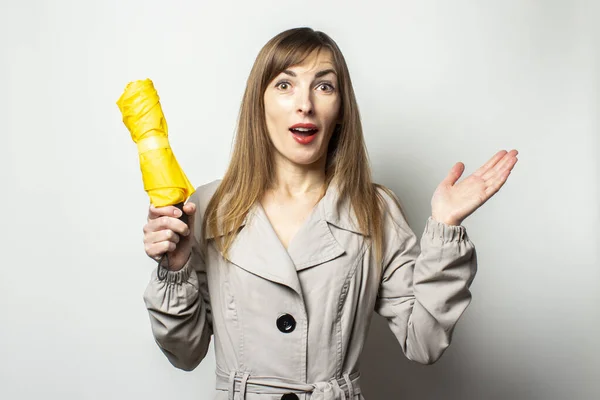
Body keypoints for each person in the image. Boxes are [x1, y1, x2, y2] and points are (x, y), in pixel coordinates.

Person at [141, 27, 518, 400]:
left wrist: (445, 228)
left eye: (324, 86)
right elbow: (185, 353)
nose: (305, 103)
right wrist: (175, 268)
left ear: (340, 111)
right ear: (260, 104)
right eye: (285, 85)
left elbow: (424, 343)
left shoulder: (374, 211)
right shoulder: (210, 207)